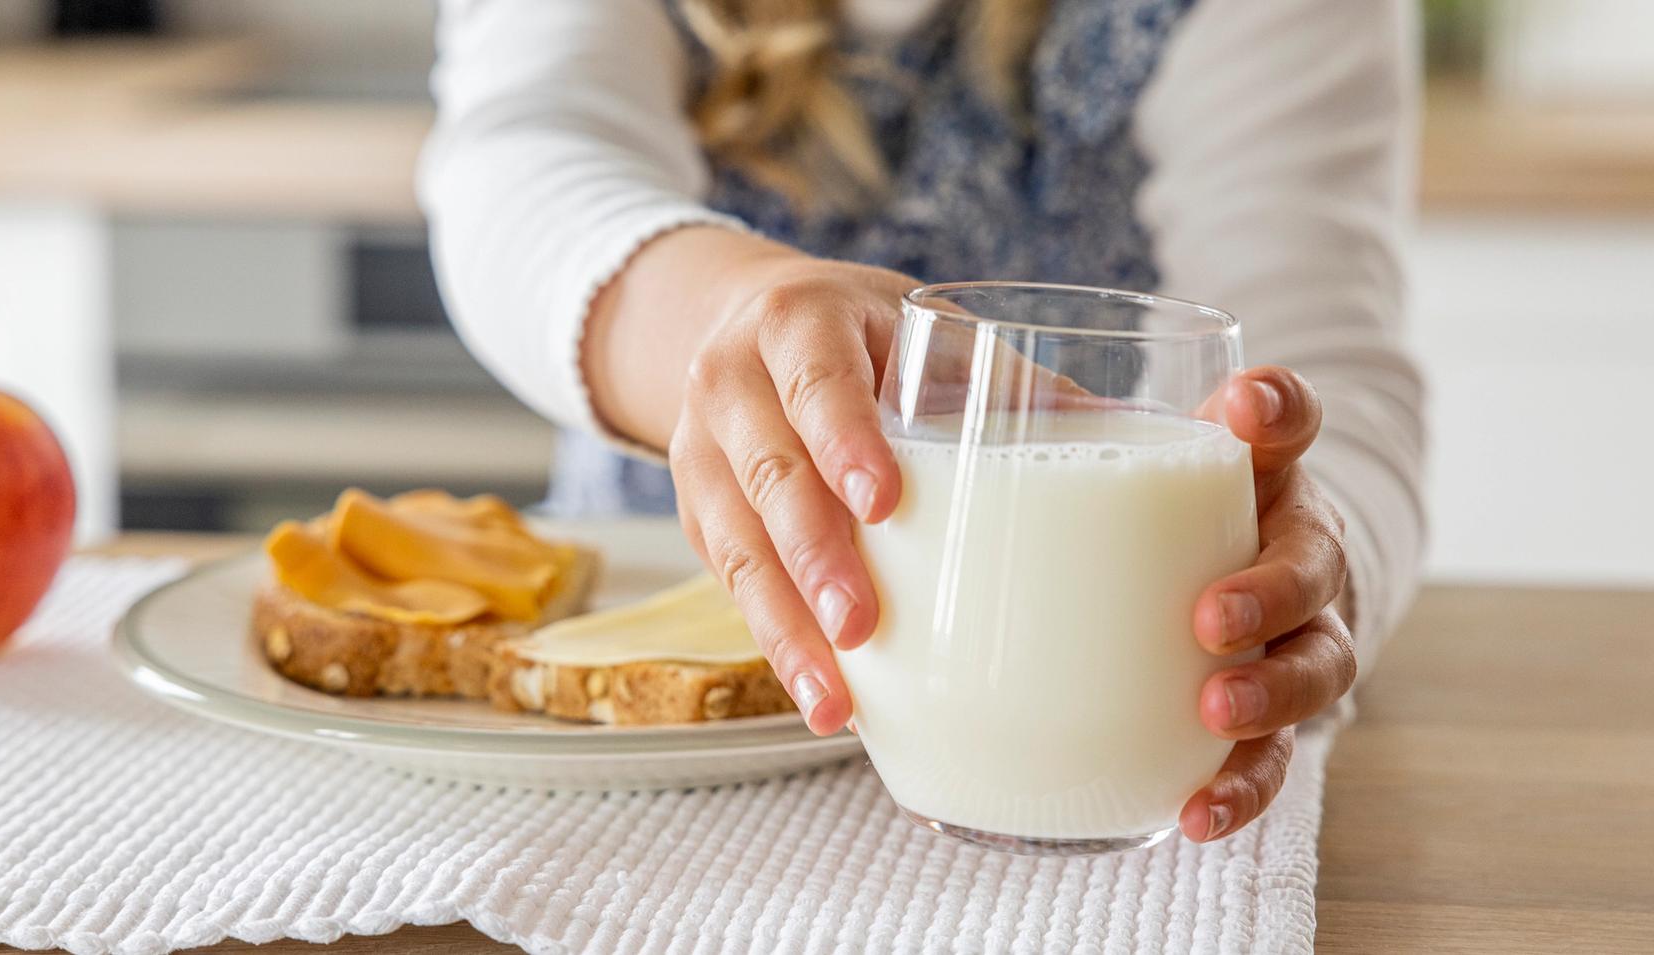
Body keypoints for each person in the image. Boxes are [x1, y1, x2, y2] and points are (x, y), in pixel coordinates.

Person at [418, 0, 1424, 844]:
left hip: (1108, 743)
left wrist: (1312, 573)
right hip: (648, 760)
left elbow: (1325, 369)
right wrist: (740, 310)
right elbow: (523, 166)